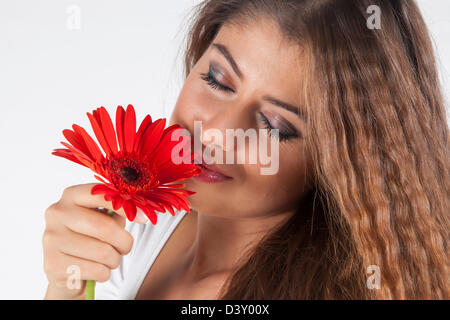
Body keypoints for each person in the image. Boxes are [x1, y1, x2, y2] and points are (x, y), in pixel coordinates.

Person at [43, 0, 449, 299]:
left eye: (275, 126)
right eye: (218, 80)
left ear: (341, 164)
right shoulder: (137, 228)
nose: (217, 133)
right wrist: (67, 289)